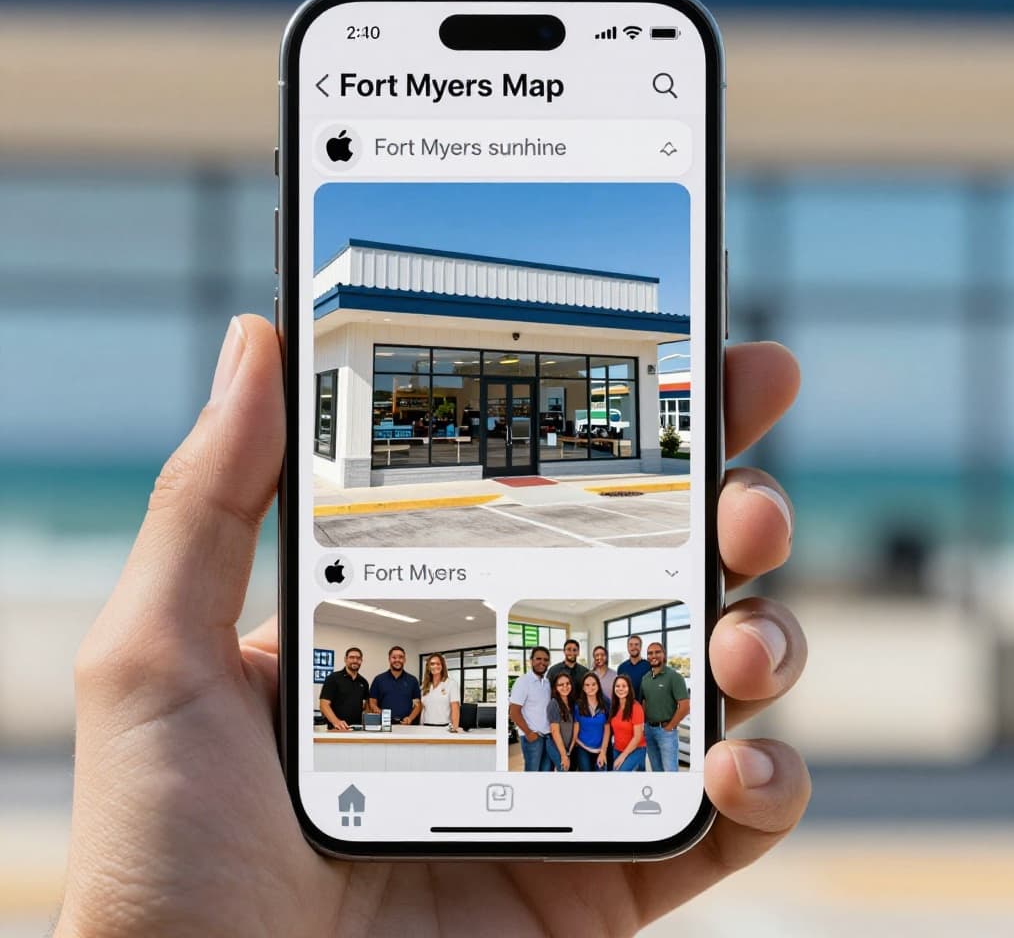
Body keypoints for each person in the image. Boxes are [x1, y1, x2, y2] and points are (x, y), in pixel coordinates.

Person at [57, 319, 810, 935]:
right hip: (496, 777)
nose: (397, 666)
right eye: (383, 659)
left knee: (677, 731)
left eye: (403, 662)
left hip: (585, 763)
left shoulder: (585, 681)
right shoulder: (453, 680)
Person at [640, 642, 690, 772]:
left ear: (664, 655)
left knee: (670, 772)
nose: (653, 655)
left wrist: (670, 726)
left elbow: (685, 706)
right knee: (656, 771)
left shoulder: (674, 677)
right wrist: (643, 725)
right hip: (649, 731)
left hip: (666, 732)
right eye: (650, 653)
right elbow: (645, 702)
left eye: (657, 652)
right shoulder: (645, 678)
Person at [509, 646, 553, 771]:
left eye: (545, 660)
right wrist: (528, 733)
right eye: (538, 659)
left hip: (548, 736)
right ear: (531, 660)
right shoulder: (523, 682)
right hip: (532, 737)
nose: (542, 662)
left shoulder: (547, 682)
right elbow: (514, 712)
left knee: (545, 772)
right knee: (532, 773)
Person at [317, 646, 369, 730]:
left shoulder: (364, 682)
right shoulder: (333, 678)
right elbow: (324, 704)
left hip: (356, 729)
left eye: (358, 658)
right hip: (336, 728)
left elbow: (366, 705)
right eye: (351, 657)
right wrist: (336, 721)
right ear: (345, 659)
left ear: (361, 661)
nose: (355, 660)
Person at [368, 645, 422, 725]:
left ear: (404, 660)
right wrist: (378, 711)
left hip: (406, 725)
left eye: (401, 657)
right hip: (384, 725)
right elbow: (372, 701)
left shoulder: (413, 680)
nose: (397, 660)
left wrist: (410, 718)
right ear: (389, 659)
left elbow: (418, 705)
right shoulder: (379, 679)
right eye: (394, 657)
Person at [572, 672, 610, 771]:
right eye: (587, 685)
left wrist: (603, 752)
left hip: (601, 748)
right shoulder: (578, 706)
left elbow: (607, 730)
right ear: (583, 688)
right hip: (583, 747)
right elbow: (576, 731)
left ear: (598, 686)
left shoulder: (605, 704)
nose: (591, 687)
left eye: (593, 684)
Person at [609, 675, 647, 772]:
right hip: (617, 748)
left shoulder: (636, 707)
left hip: (637, 748)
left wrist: (622, 756)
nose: (620, 689)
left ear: (629, 688)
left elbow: (637, 737)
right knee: (604, 769)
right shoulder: (614, 706)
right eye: (617, 686)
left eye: (624, 686)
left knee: (619, 771)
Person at [419, 652, 461, 731]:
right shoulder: (424, 686)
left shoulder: (451, 684)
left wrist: (454, 729)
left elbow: (455, 709)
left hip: (444, 728)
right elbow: (423, 709)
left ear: (442, 666)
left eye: (438, 664)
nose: (435, 666)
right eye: (432, 664)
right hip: (425, 727)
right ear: (428, 667)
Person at [545, 671, 576, 772]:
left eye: (567, 683)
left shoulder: (571, 702)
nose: (565, 687)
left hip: (567, 746)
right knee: (564, 769)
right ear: (555, 688)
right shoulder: (554, 704)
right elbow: (555, 732)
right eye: (561, 685)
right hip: (555, 745)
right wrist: (564, 755)